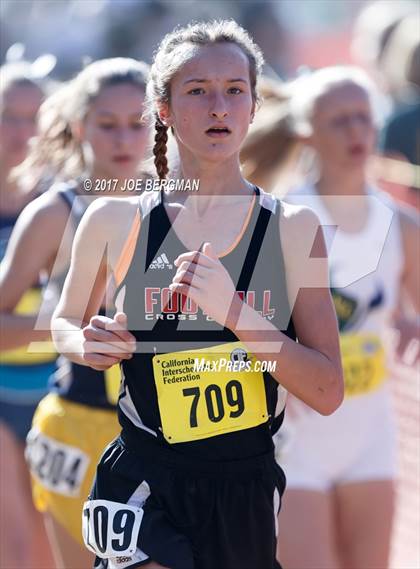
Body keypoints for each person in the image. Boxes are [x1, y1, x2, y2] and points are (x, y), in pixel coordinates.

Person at [52, 20, 343, 569]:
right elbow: (65, 323)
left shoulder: (292, 229)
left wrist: (236, 314)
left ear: (254, 107)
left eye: (235, 91)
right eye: (198, 91)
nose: (218, 107)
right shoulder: (115, 220)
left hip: (245, 483)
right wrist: (84, 342)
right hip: (143, 474)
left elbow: (327, 390)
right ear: (163, 109)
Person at [0, 58, 150, 568]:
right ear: (82, 127)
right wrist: (71, 319)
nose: (124, 139)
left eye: (139, 123)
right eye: (108, 125)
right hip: (80, 425)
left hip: (166, 429)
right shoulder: (52, 213)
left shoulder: (181, 204)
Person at [274, 66, 419, 569]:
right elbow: (246, 321)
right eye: (338, 121)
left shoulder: (401, 225)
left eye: (363, 117)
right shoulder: (284, 216)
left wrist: (410, 323)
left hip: (370, 434)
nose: (356, 131)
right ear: (306, 132)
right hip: (295, 439)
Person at [0, 62, 55, 569]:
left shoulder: (67, 207)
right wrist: (65, 322)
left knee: (52, 545)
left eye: (33, 117)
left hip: (60, 394)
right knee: (12, 547)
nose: (21, 132)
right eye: (7, 117)